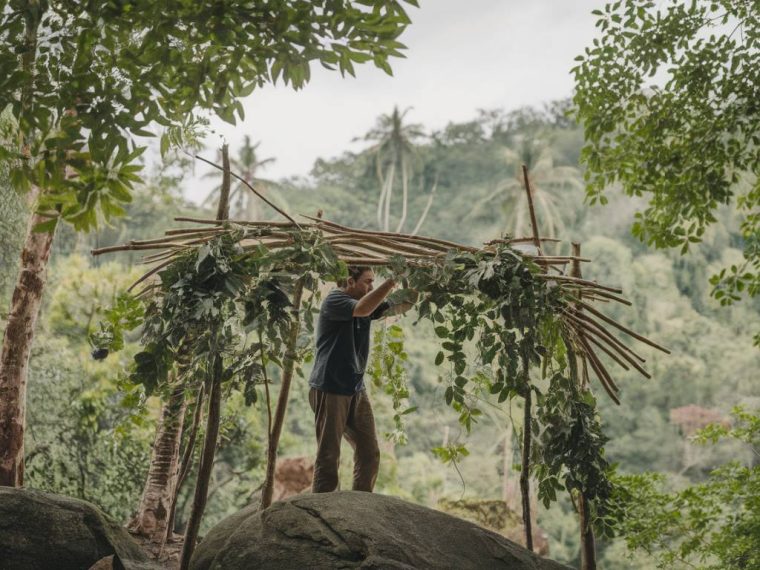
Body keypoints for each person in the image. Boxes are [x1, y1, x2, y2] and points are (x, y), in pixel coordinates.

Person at [308, 265, 413, 493]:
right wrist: (392, 280)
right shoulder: (335, 300)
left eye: (373, 281)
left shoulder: (366, 303)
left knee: (369, 451)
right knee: (329, 454)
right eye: (367, 281)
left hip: (355, 387)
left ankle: (360, 505)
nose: (371, 286)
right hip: (330, 386)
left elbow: (402, 304)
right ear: (349, 281)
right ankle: (322, 512)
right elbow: (363, 309)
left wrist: (417, 283)